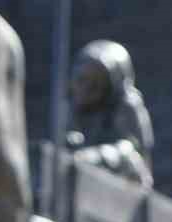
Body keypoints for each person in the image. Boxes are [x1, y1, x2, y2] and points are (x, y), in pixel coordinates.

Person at [65, 40, 155, 189]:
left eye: (94, 83)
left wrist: (97, 155)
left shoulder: (126, 106)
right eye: (82, 80)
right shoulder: (75, 109)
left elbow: (133, 151)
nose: (86, 89)